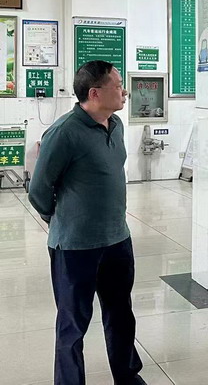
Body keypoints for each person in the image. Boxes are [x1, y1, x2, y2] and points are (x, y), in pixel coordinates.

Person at [28, 61, 146, 385]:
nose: (124, 91)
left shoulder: (116, 124)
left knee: (121, 315)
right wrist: (62, 220)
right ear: (94, 93)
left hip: (117, 239)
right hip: (75, 247)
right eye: (117, 85)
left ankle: (128, 377)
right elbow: (38, 190)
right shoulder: (64, 133)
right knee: (73, 324)